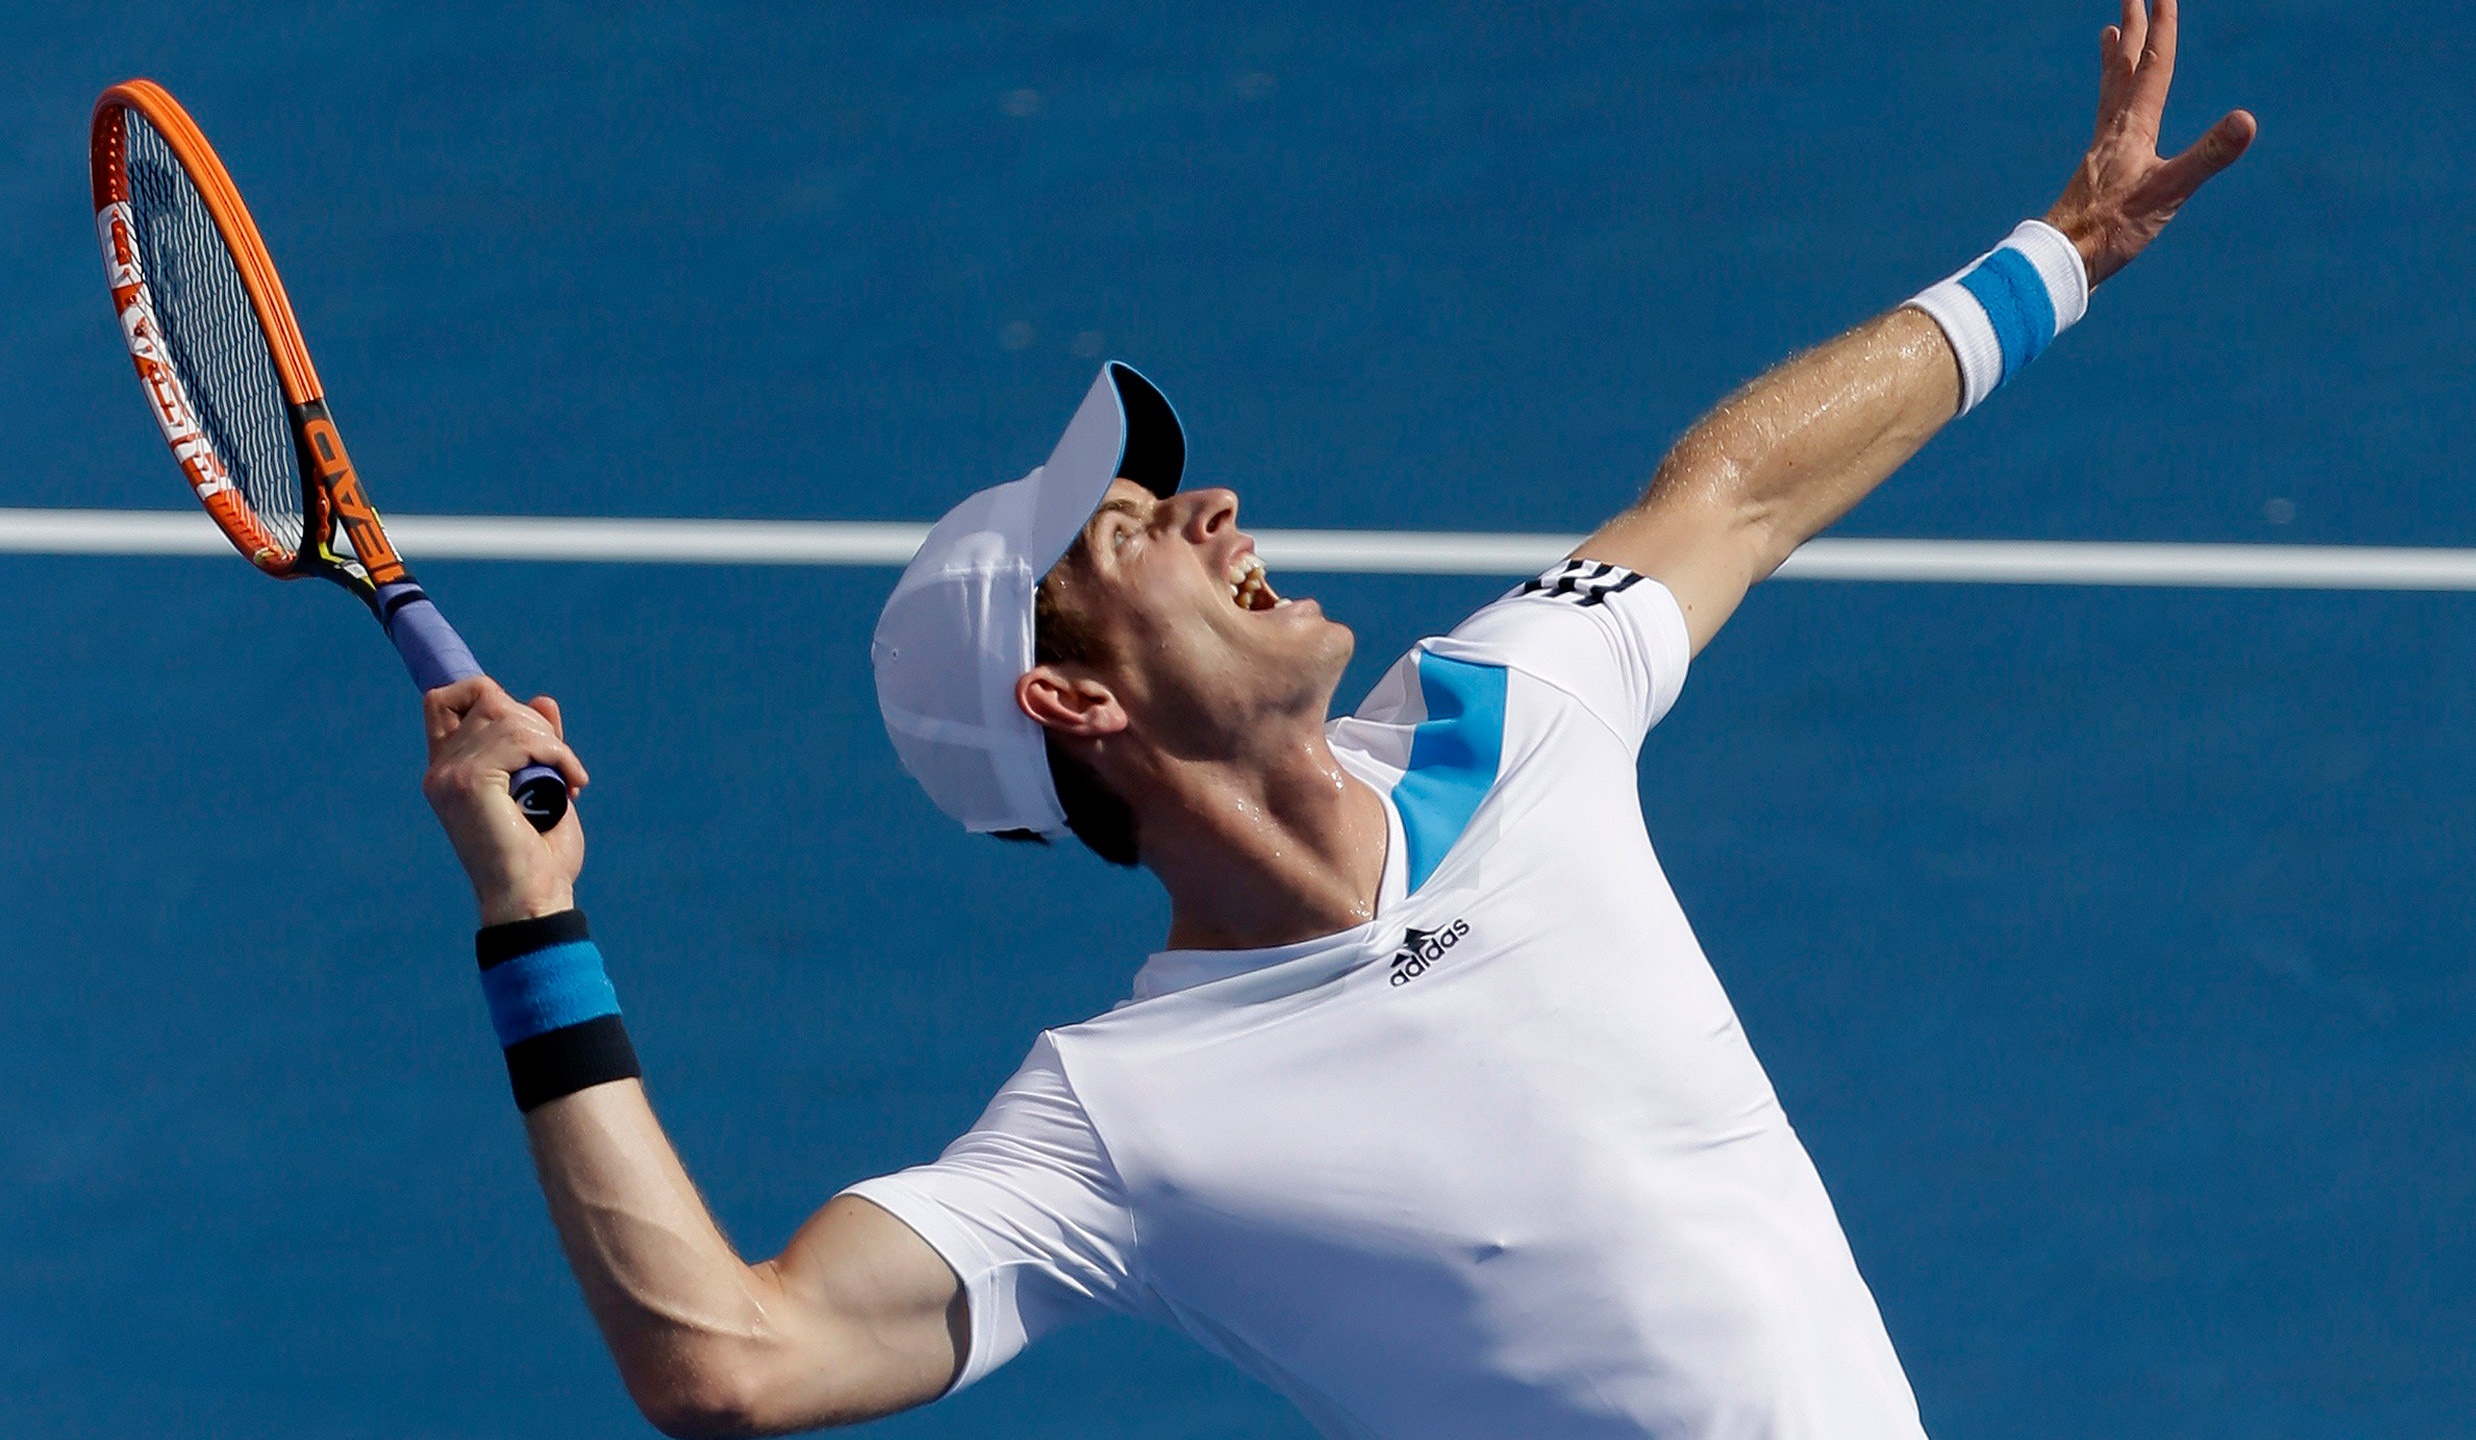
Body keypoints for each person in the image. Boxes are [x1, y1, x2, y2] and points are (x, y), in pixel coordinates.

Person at [421, 4, 2253, 1435]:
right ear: (1068, 698)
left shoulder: (1509, 710)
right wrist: (532, 920)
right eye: (1135, 529)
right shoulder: (1114, 1125)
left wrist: (2062, 253)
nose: (1214, 509)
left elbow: (1735, 497)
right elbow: (728, 1362)